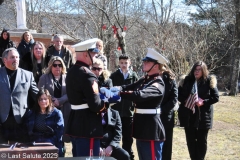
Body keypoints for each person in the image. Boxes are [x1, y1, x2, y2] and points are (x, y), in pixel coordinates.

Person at [110, 48, 168, 160]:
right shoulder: (145, 79)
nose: (144, 63)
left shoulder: (158, 83)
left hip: (151, 130)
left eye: (148, 62)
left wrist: (119, 93)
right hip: (142, 129)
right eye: (144, 61)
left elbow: (139, 95)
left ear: (156, 66)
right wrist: (113, 89)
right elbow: (128, 87)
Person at [66, 38, 113, 157]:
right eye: (93, 53)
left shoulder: (72, 71)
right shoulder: (87, 74)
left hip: (76, 122)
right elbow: (96, 104)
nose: (96, 56)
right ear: (85, 54)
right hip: (88, 125)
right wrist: (107, 103)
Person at [178, 61, 219, 160]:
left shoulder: (209, 81)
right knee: (190, 140)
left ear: (204, 70)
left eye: (199, 70)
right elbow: (179, 96)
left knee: (201, 141)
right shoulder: (186, 80)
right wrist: (187, 99)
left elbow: (216, 97)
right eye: (195, 69)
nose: (197, 71)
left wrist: (204, 102)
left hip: (203, 116)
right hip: (189, 115)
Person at [0, 47, 39, 143]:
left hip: (21, 120)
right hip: (2, 120)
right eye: (12, 57)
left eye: (17, 57)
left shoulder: (28, 75)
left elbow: (37, 94)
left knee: (18, 153)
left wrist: (50, 101)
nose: (16, 60)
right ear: (5, 60)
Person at [38, 56, 71, 153]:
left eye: (59, 65)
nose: (57, 67)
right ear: (50, 66)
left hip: (65, 109)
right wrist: (52, 100)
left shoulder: (67, 77)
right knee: (50, 135)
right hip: (49, 110)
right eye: (55, 65)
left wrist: (60, 101)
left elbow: (71, 92)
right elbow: (41, 92)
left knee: (62, 136)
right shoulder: (44, 77)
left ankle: (61, 154)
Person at [110, 54, 138, 160]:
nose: (123, 65)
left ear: (129, 63)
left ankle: (128, 156)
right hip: (116, 112)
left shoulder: (134, 76)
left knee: (128, 138)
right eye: (121, 63)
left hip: (128, 112)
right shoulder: (114, 76)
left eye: (126, 63)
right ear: (119, 63)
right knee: (115, 136)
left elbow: (137, 92)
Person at [25, 89, 64, 157]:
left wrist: (49, 144)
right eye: (40, 99)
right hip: (35, 142)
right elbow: (28, 132)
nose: (43, 101)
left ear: (49, 99)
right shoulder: (31, 114)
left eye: (45, 99)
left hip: (51, 143)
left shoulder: (57, 113)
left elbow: (59, 134)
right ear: (37, 101)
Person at [160, 64, 178, 160]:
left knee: (166, 146)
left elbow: (174, 99)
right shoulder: (149, 78)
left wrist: (162, 109)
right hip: (152, 118)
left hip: (166, 117)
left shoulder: (170, 79)